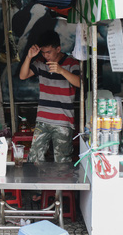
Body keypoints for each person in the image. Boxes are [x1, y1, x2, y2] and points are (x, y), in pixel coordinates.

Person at [19, 30, 80, 163]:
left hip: (63, 120)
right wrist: (29, 57)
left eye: (49, 52)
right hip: (43, 119)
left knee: (62, 160)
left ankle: (62, 184)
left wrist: (61, 70)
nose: (46, 56)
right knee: (34, 157)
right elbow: (22, 76)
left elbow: (79, 83)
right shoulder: (40, 62)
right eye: (43, 52)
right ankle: (37, 183)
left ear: (58, 49)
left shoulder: (71, 62)